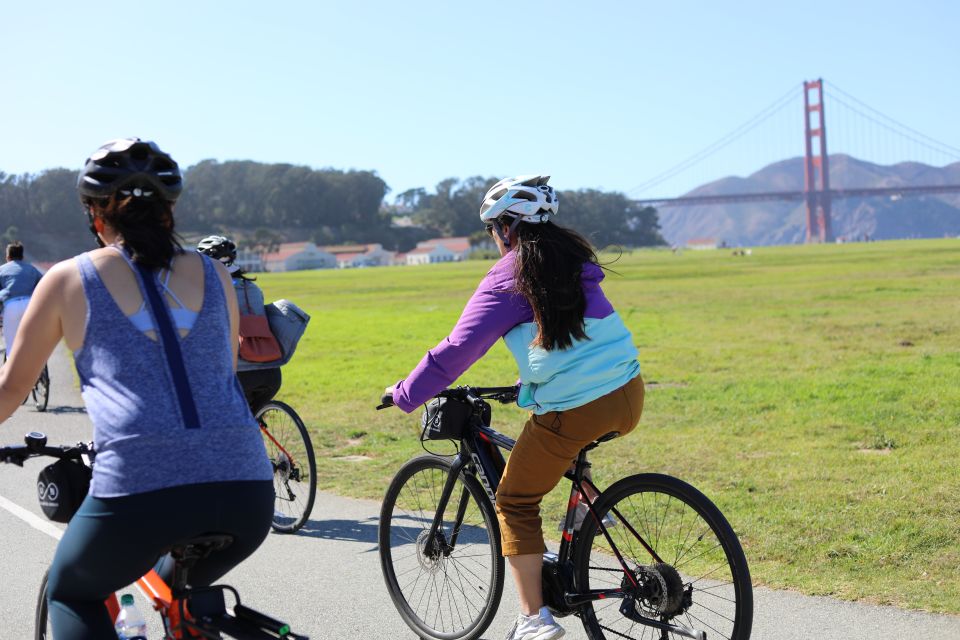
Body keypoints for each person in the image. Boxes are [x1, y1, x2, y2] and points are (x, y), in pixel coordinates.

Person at [0, 138, 274, 638]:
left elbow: (9, 390)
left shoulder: (68, 279)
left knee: (74, 591)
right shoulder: (214, 273)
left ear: (95, 216)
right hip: (247, 490)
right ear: (170, 212)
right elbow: (217, 376)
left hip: (141, 488)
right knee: (177, 593)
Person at [385, 175, 644, 640]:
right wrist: (527, 382)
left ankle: (532, 620)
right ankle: (585, 511)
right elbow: (570, 339)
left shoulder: (510, 275)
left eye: (492, 230)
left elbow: (456, 352)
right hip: (628, 393)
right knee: (557, 444)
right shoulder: (573, 263)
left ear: (506, 228)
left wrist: (405, 393)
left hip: (577, 407)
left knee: (514, 500)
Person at [197, 235, 282, 414]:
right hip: (271, 374)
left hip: (237, 374)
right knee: (248, 419)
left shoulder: (212, 290)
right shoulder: (253, 288)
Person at [0, 241, 43, 357]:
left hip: (10, 306)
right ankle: (38, 372)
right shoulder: (32, 269)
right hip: (30, 306)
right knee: (33, 343)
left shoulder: (1, 269)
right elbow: (44, 286)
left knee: (11, 346)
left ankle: (12, 369)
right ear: (22, 257)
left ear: (7, 257)